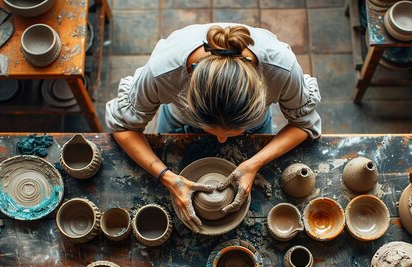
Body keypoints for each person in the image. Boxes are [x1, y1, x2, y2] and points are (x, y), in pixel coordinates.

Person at [107, 23, 322, 233]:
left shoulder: (282, 70)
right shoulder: (162, 73)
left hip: (254, 123)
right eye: (213, 130)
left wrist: (255, 162)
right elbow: (123, 128)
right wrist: (167, 177)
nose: (222, 140)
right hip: (180, 122)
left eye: (232, 133)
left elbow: (304, 124)